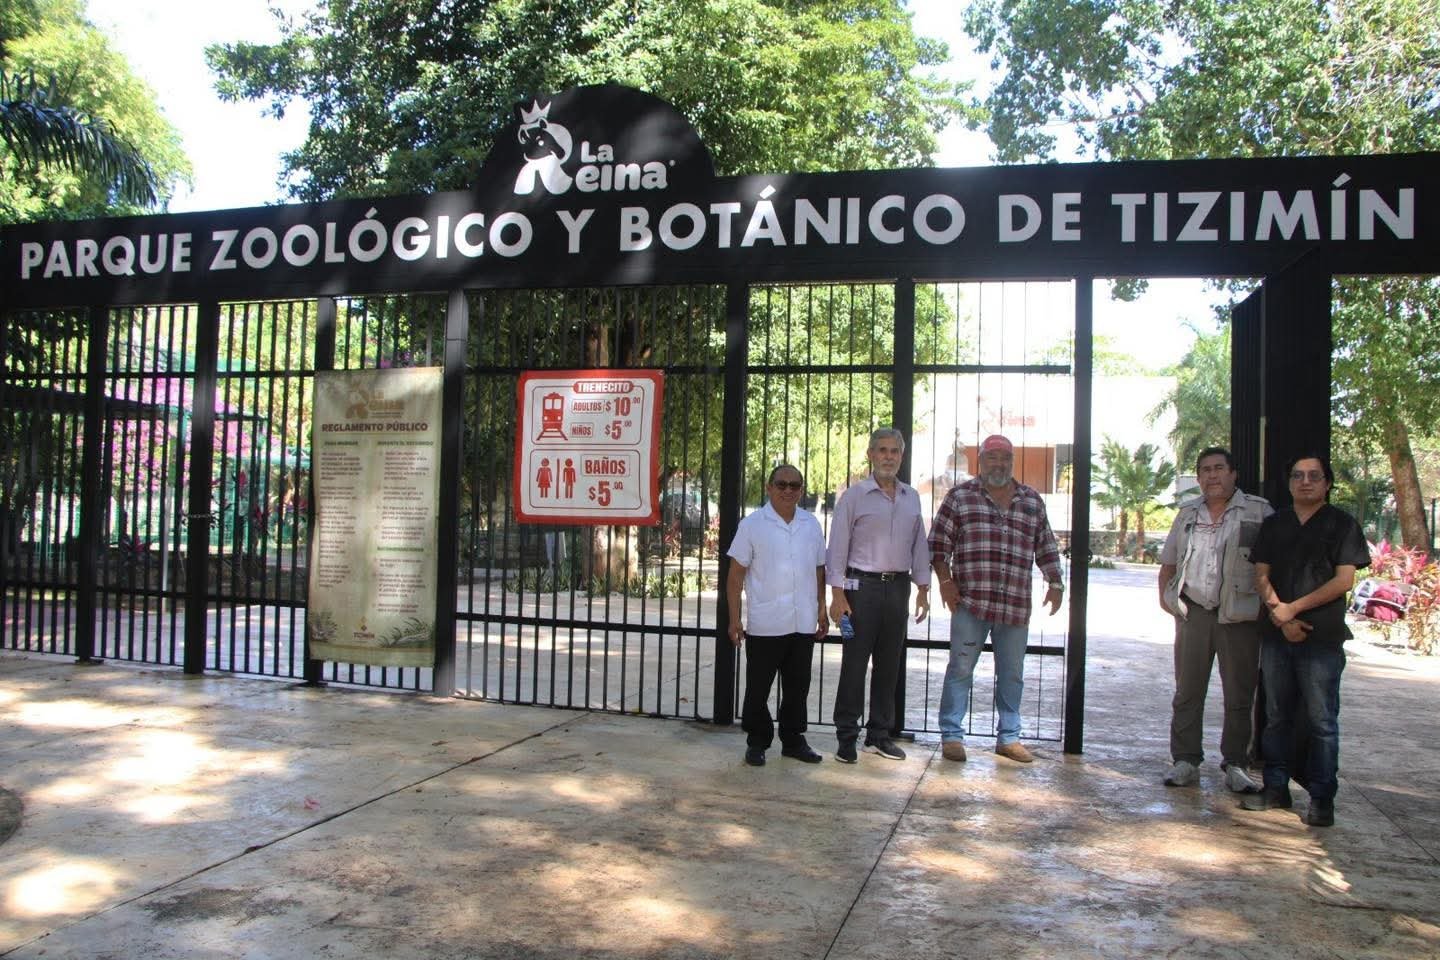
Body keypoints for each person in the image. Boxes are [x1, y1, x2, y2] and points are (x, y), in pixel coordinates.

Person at [1241, 454, 1369, 827]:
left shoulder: (1342, 525)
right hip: (1279, 636)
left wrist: (1293, 608)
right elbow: (1260, 573)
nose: (1306, 482)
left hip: (1321, 639)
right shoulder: (1275, 524)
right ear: (1289, 482)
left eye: (1314, 476)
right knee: (1276, 716)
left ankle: (1321, 797)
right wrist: (1280, 614)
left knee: (1321, 720)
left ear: (1327, 483)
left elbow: (1344, 580)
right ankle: (1276, 788)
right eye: (1298, 475)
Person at [929, 434, 1063, 764]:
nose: (998, 464)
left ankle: (1009, 737)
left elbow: (1045, 545)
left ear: (1012, 463)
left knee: (1012, 673)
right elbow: (937, 545)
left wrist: (1056, 582)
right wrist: (945, 582)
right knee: (960, 667)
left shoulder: (1031, 500)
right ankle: (951, 735)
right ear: (981, 462)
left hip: (1015, 605)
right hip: (970, 603)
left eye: (1005, 458)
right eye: (992, 458)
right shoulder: (960, 497)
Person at [1158, 446, 1272, 791]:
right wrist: (1169, 603)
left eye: (1219, 468)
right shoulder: (1188, 513)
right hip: (1195, 613)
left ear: (1233, 473)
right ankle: (1185, 760)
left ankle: (1235, 763)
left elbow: (1272, 564)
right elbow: (1169, 564)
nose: (1212, 476)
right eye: (1205, 470)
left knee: (1239, 692)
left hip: (1238, 617)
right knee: (1188, 690)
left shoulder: (1258, 511)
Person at [826, 428, 931, 764]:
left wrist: (923, 589)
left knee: (889, 665)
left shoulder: (911, 497)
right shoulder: (853, 497)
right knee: (855, 664)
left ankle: (879, 735)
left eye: (894, 451)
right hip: (861, 590)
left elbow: (918, 546)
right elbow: (837, 547)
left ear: (902, 456)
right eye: (882, 450)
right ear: (870, 454)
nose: (888, 456)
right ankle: (846, 736)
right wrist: (837, 595)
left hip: (897, 588)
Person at [726, 464, 827, 767]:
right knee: (758, 689)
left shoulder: (811, 525)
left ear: (801, 490)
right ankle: (757, 741)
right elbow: (735, 576)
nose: (787, 491)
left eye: (794, 486)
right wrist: (734, 619)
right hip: (766, 623)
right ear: (769, 487)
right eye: (781, 484)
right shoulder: (752, 525)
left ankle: (793, 740)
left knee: (798, 688)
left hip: (803, 621)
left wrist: (822, 608)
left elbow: (819, 569)